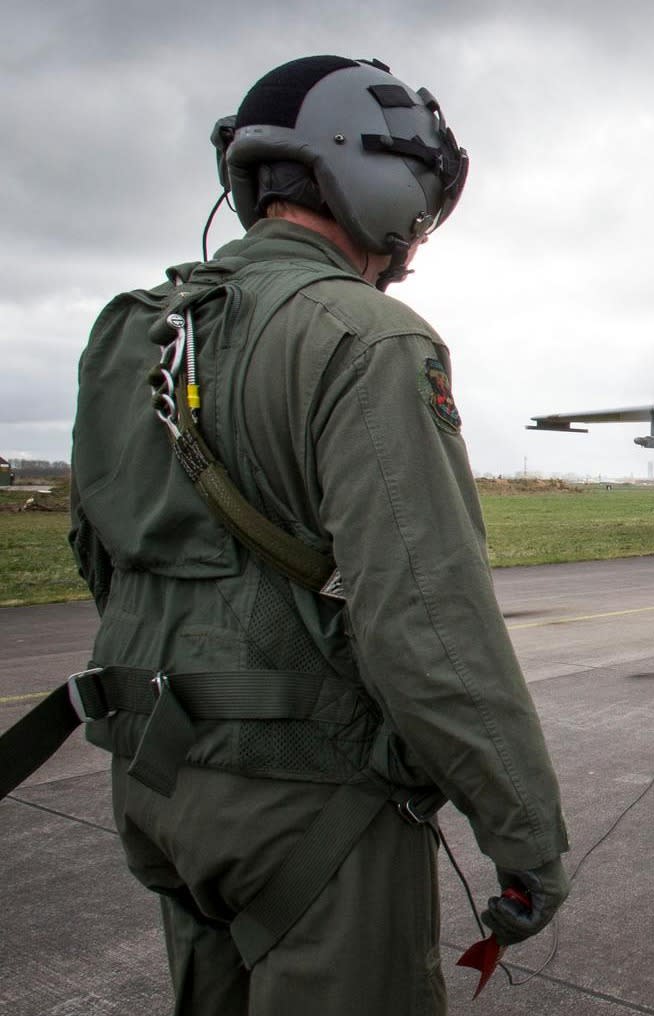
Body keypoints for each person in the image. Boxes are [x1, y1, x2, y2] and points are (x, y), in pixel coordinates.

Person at [67, 55, 569, 1014]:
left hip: (158, 783)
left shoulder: (133, 330)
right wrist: (525, 831)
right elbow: (427, 616)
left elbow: (102, 557)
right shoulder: (370, 338)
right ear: (382, 179)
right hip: (305, 808)